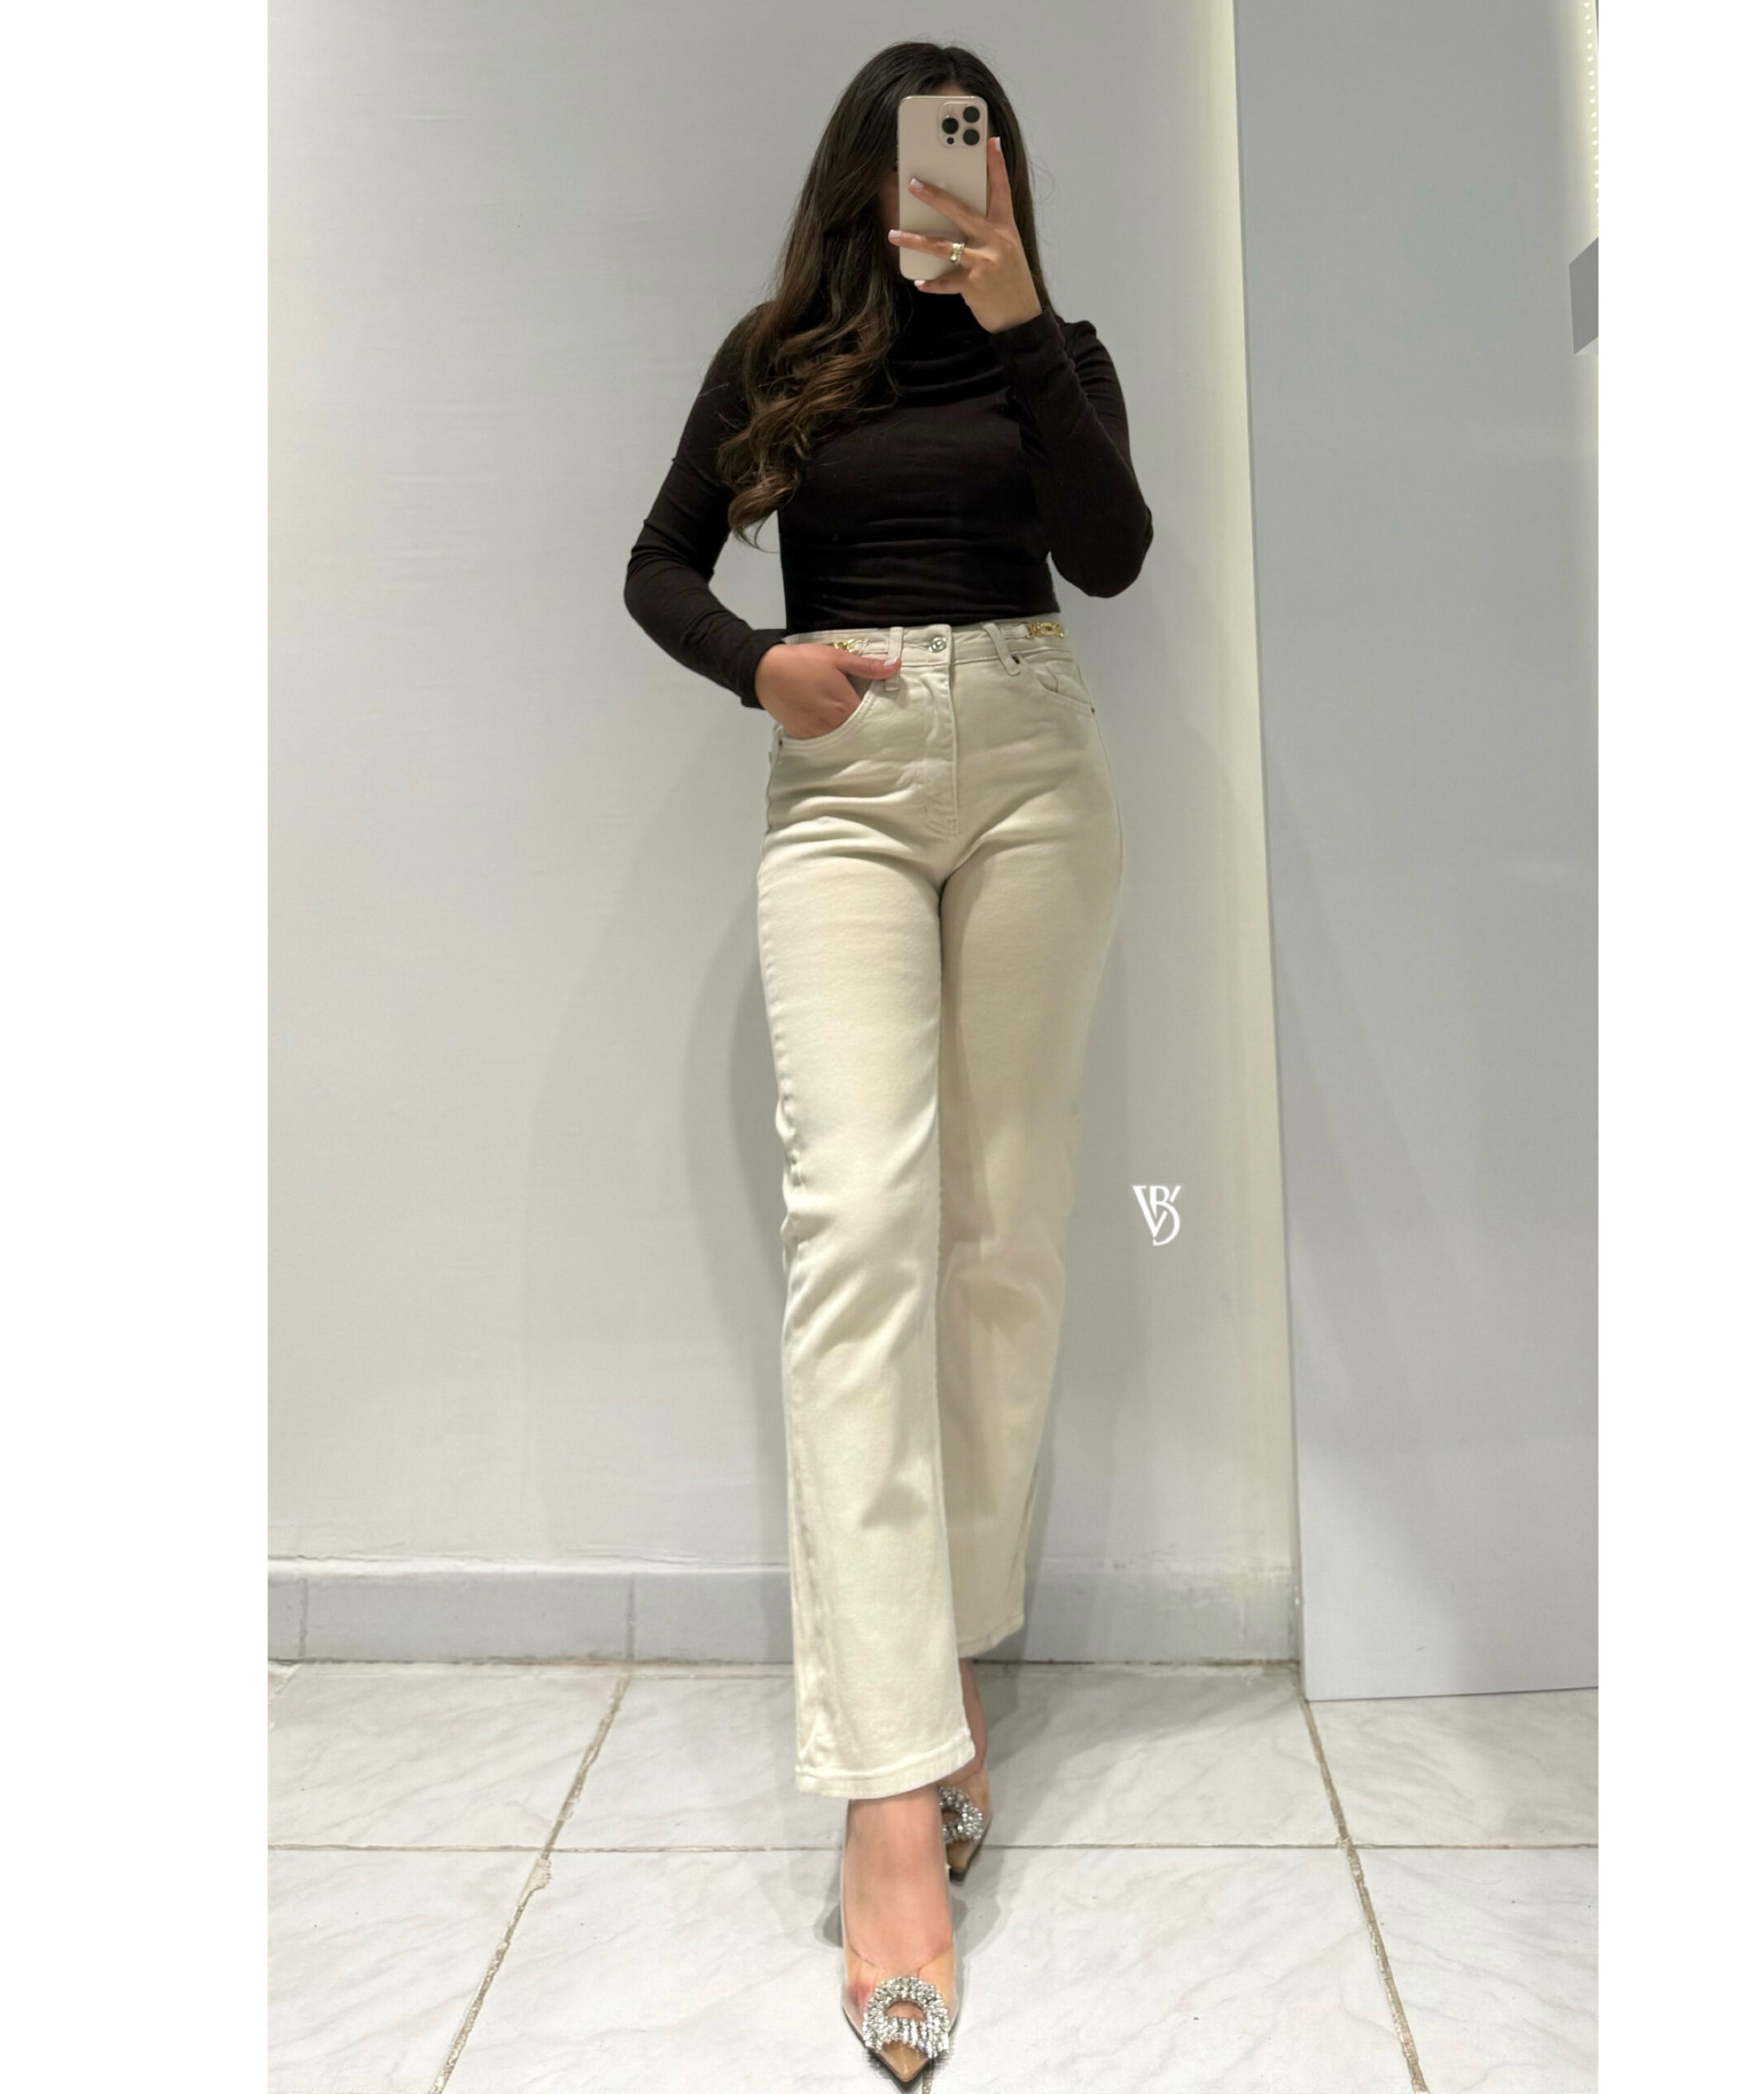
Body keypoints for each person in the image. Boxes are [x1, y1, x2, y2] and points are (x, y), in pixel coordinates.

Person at [624, 41, 1151, 2084]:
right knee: (860, 1229)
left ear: (1001, 177)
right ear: (867, 172)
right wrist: (755, 659)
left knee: (1003, 1234)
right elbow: (658, 561)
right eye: (927, 154)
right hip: (840, 783)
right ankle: (883, 1796)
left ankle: (936, 1665)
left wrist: (1015, 323)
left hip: (1032, 763)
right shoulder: (779, 353)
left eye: (979, 151)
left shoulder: (1057, 353)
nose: (950, 181)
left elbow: (1108, 553)